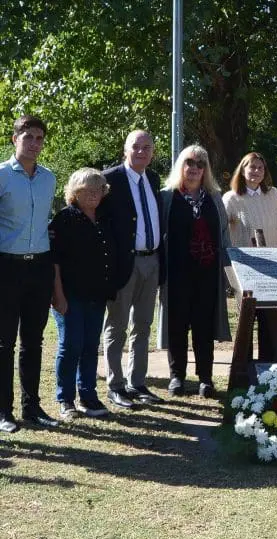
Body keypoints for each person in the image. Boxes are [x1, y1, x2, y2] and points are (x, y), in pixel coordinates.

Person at [157, 145, 232, 398]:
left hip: (207, 275)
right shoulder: (167, 197)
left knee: (204, 326)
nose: (194, 169)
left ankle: (205, 378)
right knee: (177, 326)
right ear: (181, 165)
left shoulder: (214, 198)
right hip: (176, 274)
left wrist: (228, 271)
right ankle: (177, 376)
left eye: (201, 164)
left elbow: (224, 236)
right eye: (190, 163)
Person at [0, 115, 59, 432]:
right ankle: (3, 412)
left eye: (40, 138)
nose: (35, 143)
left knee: (33, 342)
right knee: (3, 343)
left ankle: (32, 408)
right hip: (6, 266)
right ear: (15, 139)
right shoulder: (2, 176)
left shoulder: (49, 178)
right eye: (29, 137)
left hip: (39, 265)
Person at [100, 130, 165, 410]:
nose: (141, 152)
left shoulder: (152, 178)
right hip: (124, 263)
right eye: (135, 147)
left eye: (146, 147)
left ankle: (137, 383)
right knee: (116, 325)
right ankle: (115, 385)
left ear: (153, 152)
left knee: (143, 325)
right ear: (125, 149)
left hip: (152, 261)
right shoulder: (110, 179)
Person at [49, 169, 117, 420]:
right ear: (75, 192)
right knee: (71, 345)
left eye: (97, 189)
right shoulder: (64, 219)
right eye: (86, 190)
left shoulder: (104, 218)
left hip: (96, 295)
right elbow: (54, 262)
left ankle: (88, 395)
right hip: (70, 295)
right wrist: (58, 296)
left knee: (90, 345)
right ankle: (65, 400)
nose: (92, 195)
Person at [223, 151, 277, 361]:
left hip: (272, 268)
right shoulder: (231, 198)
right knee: (246, 320)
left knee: (269, 321)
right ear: (243, 169)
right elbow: (224, 234)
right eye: (252, 167)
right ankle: (243, 367)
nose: (256, 171)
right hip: (245, 270)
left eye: (260, 168)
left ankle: (268, 369)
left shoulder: (274, 195)